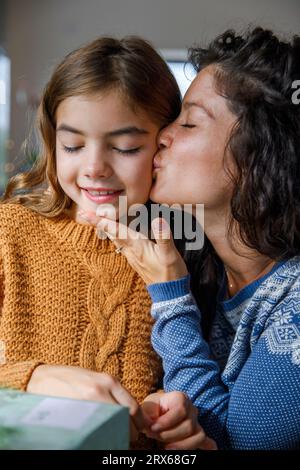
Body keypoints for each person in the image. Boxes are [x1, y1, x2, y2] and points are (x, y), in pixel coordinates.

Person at [88, 27, 300, 449]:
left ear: (256, 153)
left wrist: (170, 296)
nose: (163, 135)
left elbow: (240, 442)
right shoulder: (203, 262)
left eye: (189, 121)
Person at [0, 35, 212, 450]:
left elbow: (184, 375)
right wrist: (33, 377)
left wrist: (166, 413)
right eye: (73, 145)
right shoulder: (10, 231)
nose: (95, 167)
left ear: (163, 145)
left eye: (125, 147)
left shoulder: (186, 245)